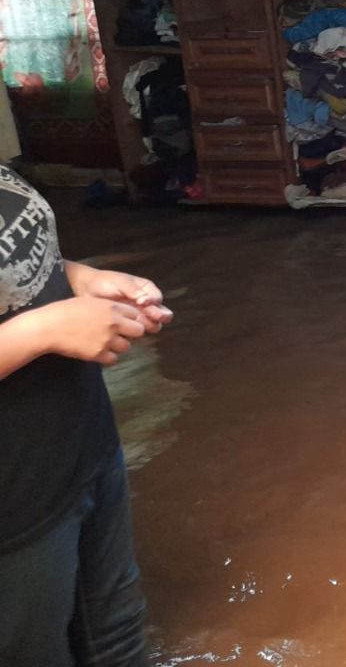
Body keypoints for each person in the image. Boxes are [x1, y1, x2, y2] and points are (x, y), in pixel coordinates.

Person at [0, 163, 173, 666]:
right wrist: (42, 331)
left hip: (83, 445)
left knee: (118, 636)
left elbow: (19, 260)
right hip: (15, 501)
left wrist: (85, 279)